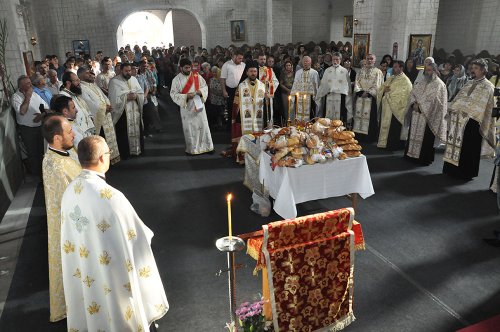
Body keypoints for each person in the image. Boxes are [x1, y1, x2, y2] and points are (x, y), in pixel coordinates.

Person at [60, 136, 169, 331]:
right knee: (115, 304)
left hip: (85, 264)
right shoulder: (111, 197)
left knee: (92, 299)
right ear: (102, 158)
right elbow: (137, 235)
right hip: (109, 267)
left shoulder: (69, 191)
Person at [40, 115, 81, 322]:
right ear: (57, 138)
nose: (74, 134)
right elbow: (76, 201)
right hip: (73, 228)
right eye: (69, 132)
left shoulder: (56, 156)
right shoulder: (58, 166)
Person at [443, 58, 496, 180]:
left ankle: (465, 172)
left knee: (469, 148)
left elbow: (485, 107)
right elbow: (459, 99)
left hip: (474, 123)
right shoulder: (469, 83)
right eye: (472, 68)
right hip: (459, 121)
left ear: (483, 71)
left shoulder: (488, 87)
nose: (473, 70)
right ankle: (451, 169)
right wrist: (454, 109)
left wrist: (468, 114)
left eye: (476, 68)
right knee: (455, 144)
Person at [405, 63, 448, 165]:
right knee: (413, 134)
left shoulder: (439, 84)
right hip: (416, 114)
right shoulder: (422, 82)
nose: (427, 73)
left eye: (429, 70)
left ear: (435, 71)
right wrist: (413, 103)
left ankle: (423, 158)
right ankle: (411, 155)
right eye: (426, 70)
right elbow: (413, 93)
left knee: (426, 138)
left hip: (428, 118)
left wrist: (420, 107)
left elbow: (437, 102)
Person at [170, 58, 214, 155]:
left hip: (198, 104)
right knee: (190, 128)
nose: (189, 70)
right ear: (181, 68)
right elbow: (173, 94)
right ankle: (193, 149)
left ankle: (207, 147)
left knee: (203, 125)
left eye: (190, 67)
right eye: (186, 68)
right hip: (187, 107)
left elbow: (204, 86)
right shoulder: (176, 80)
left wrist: (200, 92)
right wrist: (186, 96)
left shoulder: (196, 75)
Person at [78, 67, 121, 164]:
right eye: (87, 73)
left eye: (90, 72)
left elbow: (103, 96)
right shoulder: (81, 87)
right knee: (102, 138)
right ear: (80, 75)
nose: (90, 74)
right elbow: (88, 102)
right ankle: (103, 161)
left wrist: (108, 104)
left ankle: (112, 157)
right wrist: (104, 108)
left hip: (105, 114)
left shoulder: (93, 84)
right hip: (99, 116)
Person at [11, 75, 48, 175]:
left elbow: (46, 108)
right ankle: (38, 176)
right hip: (27, 129)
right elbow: (22, 111)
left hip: (40, 127)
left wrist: (42, 115)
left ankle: (45, 174)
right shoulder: (16, 97)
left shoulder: (35, 94)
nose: (31, 85)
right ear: (21, 86)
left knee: (43, 151)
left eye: (30, 83)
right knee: (33, 154)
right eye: (28, 83)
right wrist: (27, 97)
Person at [229, 60, 266, 161]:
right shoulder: (241, 87)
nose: (253, 73)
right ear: (247, 72)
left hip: (258, 118)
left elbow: (266, 103)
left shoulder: (262, 86)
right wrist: (237, 118)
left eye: (255, 71)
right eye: (251, 71)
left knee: (258, 136)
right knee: (246, 136)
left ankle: (257, 157)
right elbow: (236, 104)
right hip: (246, 119)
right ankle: (244, 158)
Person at [108, 62, 145, 159]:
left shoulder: (134, 79)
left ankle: (137, 150)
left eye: (130, 70)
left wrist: (136, 96)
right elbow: (112, 98)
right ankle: (125, 153)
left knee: (137, 129)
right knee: (123, 133)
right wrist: (126, 97)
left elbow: (140, 93)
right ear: (121, 70)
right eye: (126, 71)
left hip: (135, 110)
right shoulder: (114, 81)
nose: (129, 73)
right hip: (123, 113)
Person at [376, 60, 412, 150]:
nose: (394, 69)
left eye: (396, 67)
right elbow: (382, 88)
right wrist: (384, 90)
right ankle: (383, 143)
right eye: (394, 67)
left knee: (393, 128)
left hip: (395, 110)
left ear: (401, 68)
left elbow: (404, 96)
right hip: (387, 107)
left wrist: (389, 94)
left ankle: (391, 145)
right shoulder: (391, 77)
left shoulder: (405, 81)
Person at [353, 54, 384, 142]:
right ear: (365, 60)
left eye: (371, 59)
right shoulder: (360, 71)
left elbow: (378, 85)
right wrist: (360, 92)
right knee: (358, 115)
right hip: (360, 97)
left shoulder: (378, 72)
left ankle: (369, 138)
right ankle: (358, 136)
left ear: (375, 61)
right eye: (368, 59)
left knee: (370, 118)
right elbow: (357, 83)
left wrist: (368, 93)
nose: (369, 60)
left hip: (371, 98)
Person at [315, 52, 351, 123]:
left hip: (340, 97)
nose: (335, 61)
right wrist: (324, 91)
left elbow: (347, 86)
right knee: (328, 118)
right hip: (329, 96)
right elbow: (323, 84)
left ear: (340, 60)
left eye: (337, 59)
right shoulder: (327, 70)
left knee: (339, 119)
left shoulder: (344, 71)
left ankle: (339, 132)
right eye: (333, 59)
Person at [60, 71, 96, 137]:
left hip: (86, 129)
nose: (79, 83)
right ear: (68, 83)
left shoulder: (74, 94)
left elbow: (84, 108)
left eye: (78, 80)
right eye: (76, 81)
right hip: (77, 132)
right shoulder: (63, 96)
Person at [220, 50, 246, 129]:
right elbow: (222, 79)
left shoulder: (243, 65)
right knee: (231, 108)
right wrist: (224, 91)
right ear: (234, 56)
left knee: (241, 108)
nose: (241, 60)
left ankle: (240, 126)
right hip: (230, 90)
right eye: (239, 58)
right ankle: (230, 128)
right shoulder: (226, 65)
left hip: (241, 90)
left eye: (242, 58)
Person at [289, 56, 320, 122]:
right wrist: (293, 94)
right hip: (299, 96)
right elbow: (295, 84)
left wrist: (316, 96)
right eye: (304, 61)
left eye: (307, 61)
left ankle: (310, 128)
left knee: (311, 114)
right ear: (302, 63)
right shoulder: (298, 72)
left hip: (311, 97)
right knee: (298, 113)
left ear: (310, 62)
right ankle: (299, 128)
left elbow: (317, 85)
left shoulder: (315, 73)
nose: (305, 63)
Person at [257, 53, 279, 126]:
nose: (263, 61)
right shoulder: (254, 69)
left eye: (264, 59)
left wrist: (268, 86)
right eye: (261, 59)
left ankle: (268, 128)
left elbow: (276, 82)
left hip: (267, 95)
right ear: (258, 59)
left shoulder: (269, 70)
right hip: (257, 95)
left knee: (268, 113)